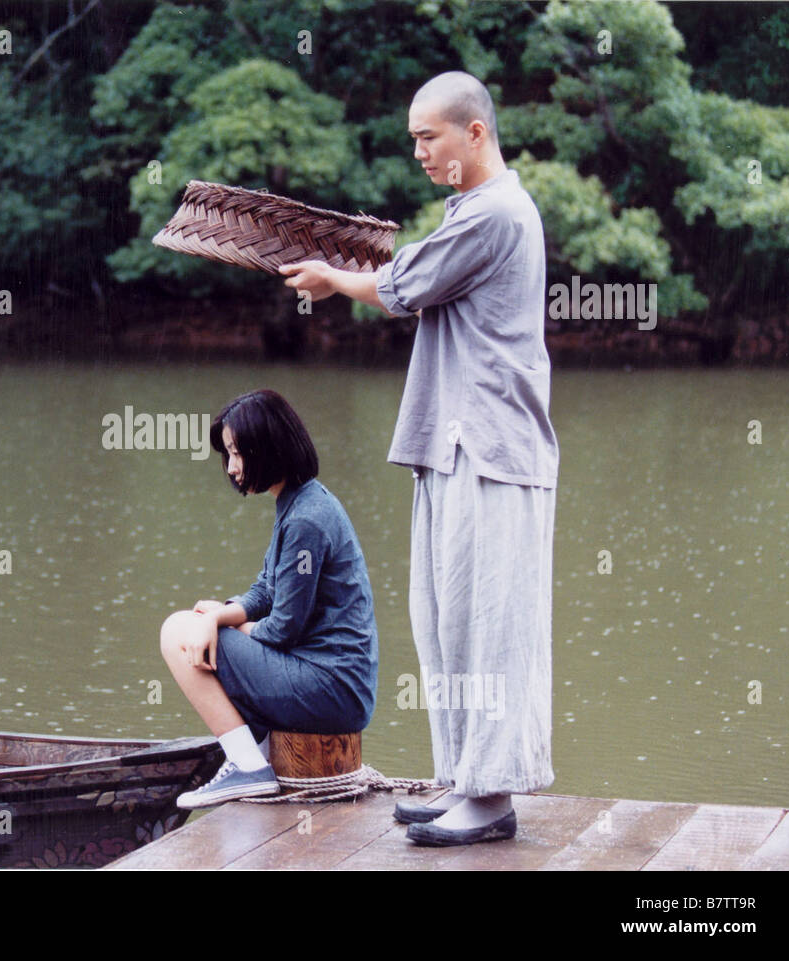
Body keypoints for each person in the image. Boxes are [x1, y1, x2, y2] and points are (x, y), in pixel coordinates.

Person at [278, 70, 559, 845]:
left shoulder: (497, 212)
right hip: (455, 444)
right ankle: (471, 784)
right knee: (445, 622)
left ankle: (490, 794)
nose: (419, 152)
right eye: (413, 139)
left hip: (493, 450)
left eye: (429, 137)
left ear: (474, 133)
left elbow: (408, 282)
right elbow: (421, 271)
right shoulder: (472, 208)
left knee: (489, 629)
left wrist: (335, 278)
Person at [159, 389, 378, 809]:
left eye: (240, 453)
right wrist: (222, 612)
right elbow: (266, 589)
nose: (233, 467)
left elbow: (283, 629)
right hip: (326, 681)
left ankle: (247, 766)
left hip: (333, 688)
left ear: (272, 447)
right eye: (229, 454)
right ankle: (256, 751)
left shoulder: (308, 519)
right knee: (198, 623)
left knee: (177, 632)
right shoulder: (299, 501)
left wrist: (222, 625)